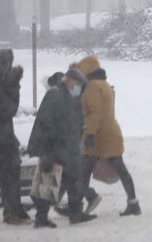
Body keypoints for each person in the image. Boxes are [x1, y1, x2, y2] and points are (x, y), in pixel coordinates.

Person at [75, 53, 139, 217]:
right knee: (121, 170)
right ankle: (133, 203)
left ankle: (78, 205)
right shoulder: (104, 84)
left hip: (97, 137)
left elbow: (95, 113)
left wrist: (88, 134)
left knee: (82, 173)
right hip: (110, 134)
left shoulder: (92, 87)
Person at [26, 67, 90, 226]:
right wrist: (45, 150)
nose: (78, 89)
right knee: (49, 180)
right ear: (70, 80)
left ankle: (75, 213)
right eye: (78, 84)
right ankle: (41, 218)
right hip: (56, 148)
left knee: (73, 180)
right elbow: (45, 123)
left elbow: (75, 120)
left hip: (69, 148)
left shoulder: (70, 97)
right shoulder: (55, 95)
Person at [0, 50, 27, 225]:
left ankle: (13, 209)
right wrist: (14, 85)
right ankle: (13, 211)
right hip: (4, 138)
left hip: (5, 136)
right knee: (11, 174)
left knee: (7, 175)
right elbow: (7, 110)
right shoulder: (5, 81)